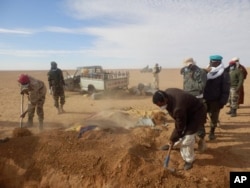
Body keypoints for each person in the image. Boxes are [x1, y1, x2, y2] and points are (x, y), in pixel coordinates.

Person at [152, 89, 206, 170]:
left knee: (187, 137)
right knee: (178, 134)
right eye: (158, 106)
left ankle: (189, 160)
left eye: (161, 105)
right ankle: (173, 144)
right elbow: (179, 123)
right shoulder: (167, 94)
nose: (160, 107)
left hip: (197, 114)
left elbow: (180, 127)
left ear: (165, 99)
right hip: (186, 111)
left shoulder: (178, 107)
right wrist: (173, 138)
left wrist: (173, 137)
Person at [180, 57, 207, 152]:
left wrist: (192, 81)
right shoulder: (186, 72)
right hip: (187, 100)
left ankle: (201, 142)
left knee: (199, 121)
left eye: (189, 65)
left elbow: (201, 86)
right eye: (186, 66)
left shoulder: (201, 72)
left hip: (197, 100)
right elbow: (185, 86)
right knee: (187, 121)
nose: (188, 67)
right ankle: (191, 140)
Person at [203, 55, 230, 140]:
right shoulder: (205, 72)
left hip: (215, 100)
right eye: (211, 61)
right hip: (204, 99)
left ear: (219, 62)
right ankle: (202, 133)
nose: (212, 63)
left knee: (214, 117)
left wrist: (222, 101)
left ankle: (212, 132)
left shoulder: (224, 73)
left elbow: (226, 89)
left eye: (215, 62)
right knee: (201, 116)